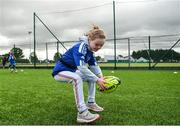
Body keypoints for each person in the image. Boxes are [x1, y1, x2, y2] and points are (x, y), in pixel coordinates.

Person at [52, 25, 107, 123]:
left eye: (101, 45)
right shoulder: (81, 46)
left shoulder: (90, 51)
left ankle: (90, 103)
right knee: (77, 78)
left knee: (91, 78)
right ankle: (82, 113)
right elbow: (81, 67)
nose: (98, 47)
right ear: (90, 39)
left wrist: (101, 77)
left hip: (71, 71)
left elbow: (94, 66)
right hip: (60, 71)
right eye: (97, 44)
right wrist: (97, 80)